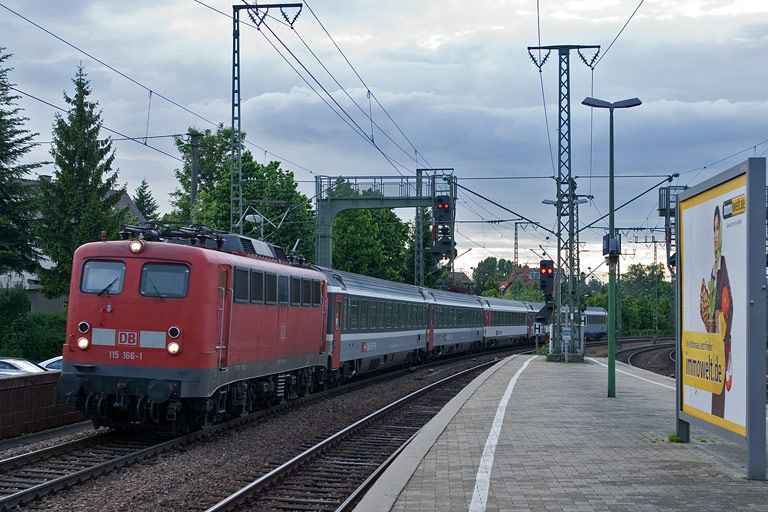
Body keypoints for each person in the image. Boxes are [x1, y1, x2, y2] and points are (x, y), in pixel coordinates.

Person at [710, 205, 732, 418]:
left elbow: (728, 307)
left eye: (719, 228)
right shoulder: (712, 271)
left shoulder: (723, 268)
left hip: (722, 347)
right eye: (714, 228)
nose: (716, 234)